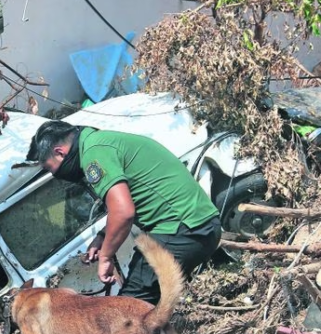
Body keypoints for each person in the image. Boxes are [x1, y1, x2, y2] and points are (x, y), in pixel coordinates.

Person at [26, 120, 221, 303]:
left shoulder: (94, 153)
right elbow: (123, 203)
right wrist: (103, 235)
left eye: (50, 168)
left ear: (59, 153)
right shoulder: (97, 141)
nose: (54, 174)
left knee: (128, 310)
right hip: (196, 224)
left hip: (184, 229)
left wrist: (105, 257)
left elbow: (123, 212)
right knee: (148, 308)